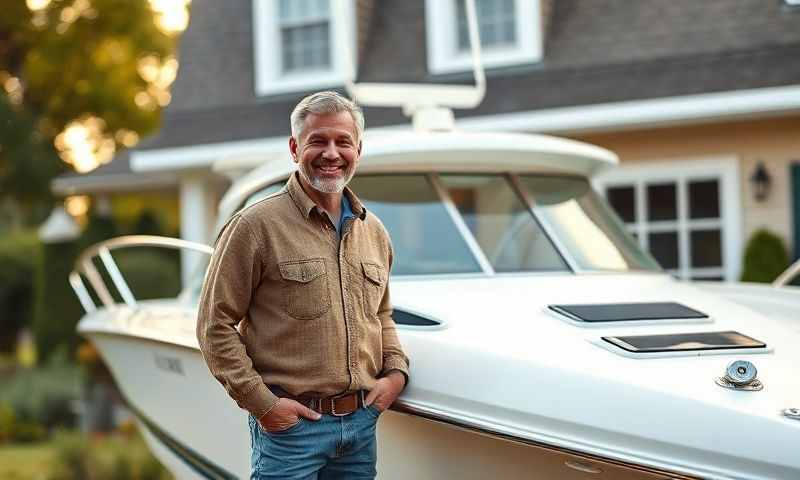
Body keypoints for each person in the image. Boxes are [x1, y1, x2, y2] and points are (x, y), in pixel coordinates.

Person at [196, 91, 409, 480]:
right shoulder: (254, 227)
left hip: (361, 429)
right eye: (318, 141)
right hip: (291, 434)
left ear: (358, 150)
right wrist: (262, 404)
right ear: (295, 148)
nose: (332, 153)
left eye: (343, 142)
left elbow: (381, 314)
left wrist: (395, 374)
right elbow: (214, 327)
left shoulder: (374, 231)